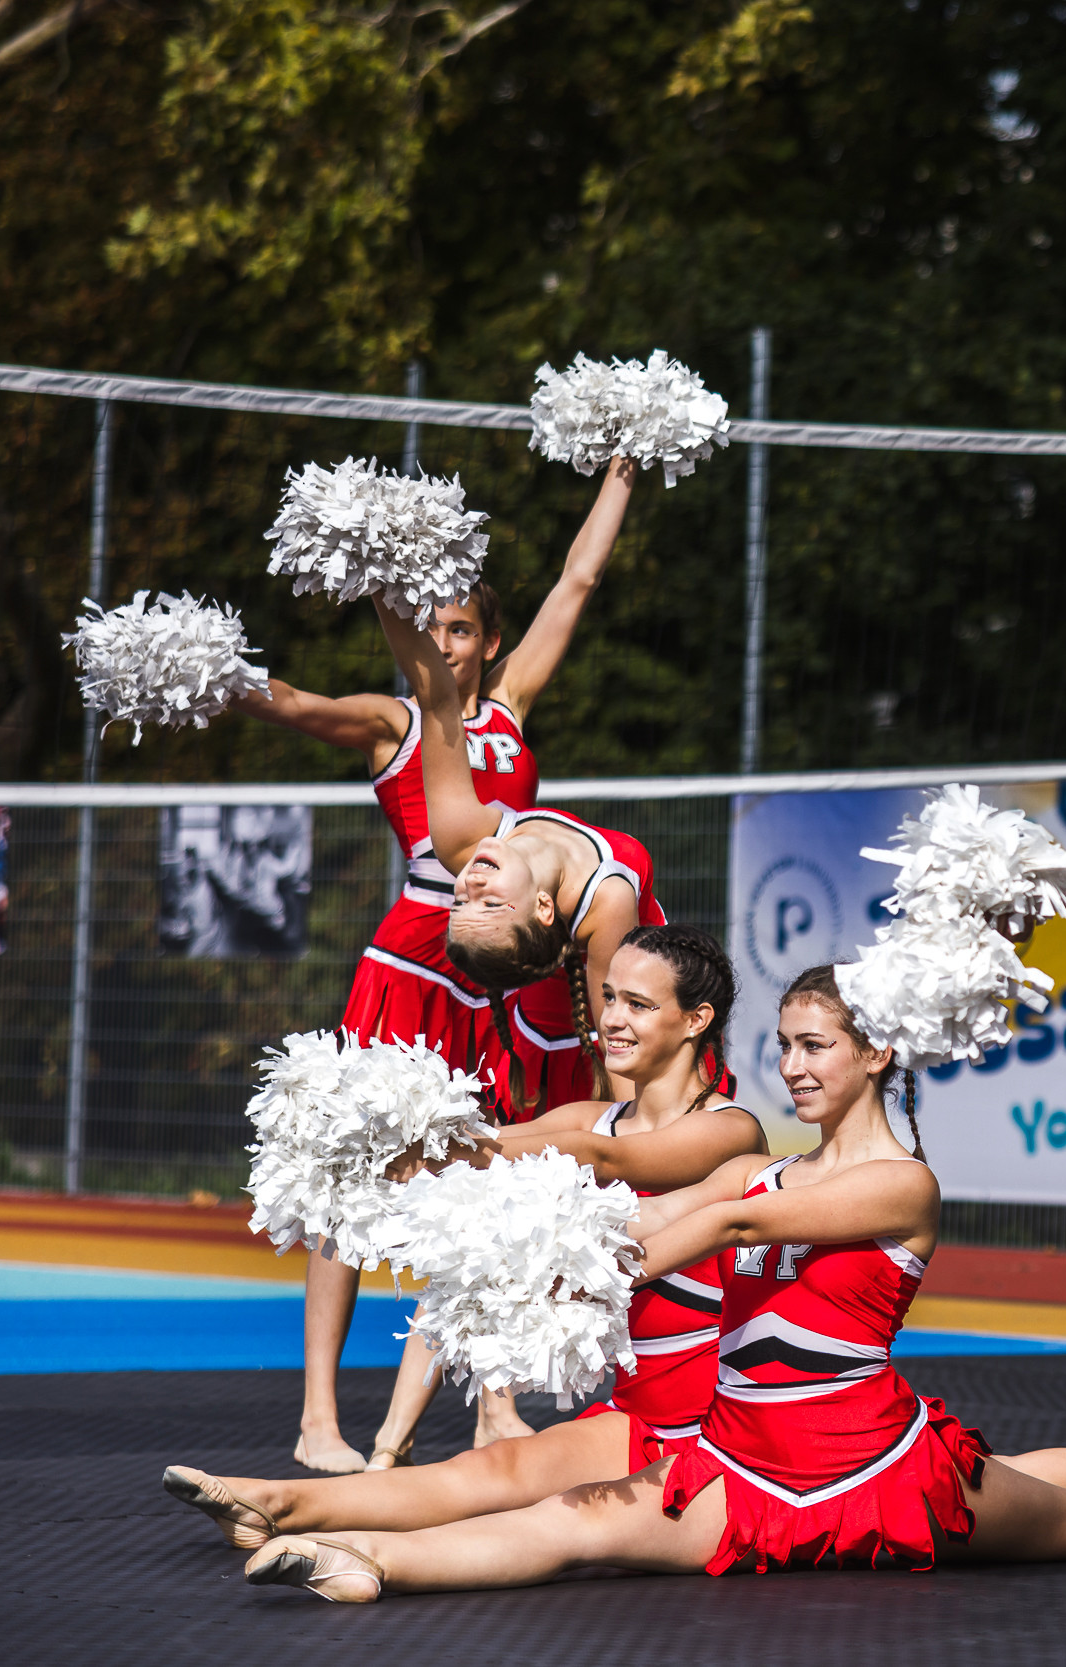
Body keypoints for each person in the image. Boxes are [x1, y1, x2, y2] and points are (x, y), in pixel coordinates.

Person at [232, 966, 1066, 1601]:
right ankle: (359, 1555)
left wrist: (612, 1257)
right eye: (786, 1045)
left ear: (876, 1055)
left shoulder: (902, 1182)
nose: (795, 1066)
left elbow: (728, 1221)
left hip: (881, 1463)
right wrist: (446, 1174)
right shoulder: (762, 1165)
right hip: (746, 1462)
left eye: (817, 1046)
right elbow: (637, 1211)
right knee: (569, 1524)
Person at [234, 456, 640, 1474]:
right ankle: (318, 1419)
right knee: (351, 1186)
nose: (447, 644)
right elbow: (290, 702)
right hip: (414, 964)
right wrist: (201, 672)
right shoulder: (400, 719)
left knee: (490, 1176)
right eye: (434, 627)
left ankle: (495, 1404)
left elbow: (578, 581)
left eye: (463, 629)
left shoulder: (511, 707)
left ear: (489, 642)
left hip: (502, 975)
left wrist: (625, 468)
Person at [163, 923, 764, 1536]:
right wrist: (389, 1137)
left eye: (638, 1004)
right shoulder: (594, 1117)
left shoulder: (731, 1131)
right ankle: (275, 1503)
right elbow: (495, 1141)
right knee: (494, 1468)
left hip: (724, 1423)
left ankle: (309, 1510)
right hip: (637, 1410)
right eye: (609, 997)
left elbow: (604, 1158)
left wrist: (448, 1150)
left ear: (696, 1020)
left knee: (530, 1520)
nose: (612, 1018)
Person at [371, 589, 667, 1129]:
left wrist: (379, 582)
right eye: (489, 905)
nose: (470, 886)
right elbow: (621, 1055)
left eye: (460, 903)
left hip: (554, 1013)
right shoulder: (607, 898)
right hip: (609, 1031)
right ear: (545, 908)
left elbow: (435, 698)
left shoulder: (461, 841)